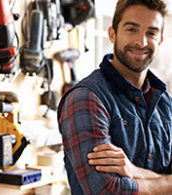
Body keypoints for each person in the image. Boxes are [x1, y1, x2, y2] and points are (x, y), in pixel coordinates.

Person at [57, 0, 172, 194]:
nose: (141, 42)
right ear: (112, 34)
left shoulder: (163, 101)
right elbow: (108, 191)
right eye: (132, 29)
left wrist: (135, 172)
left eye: (151, 33)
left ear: (160, 39)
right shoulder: (86, 98)